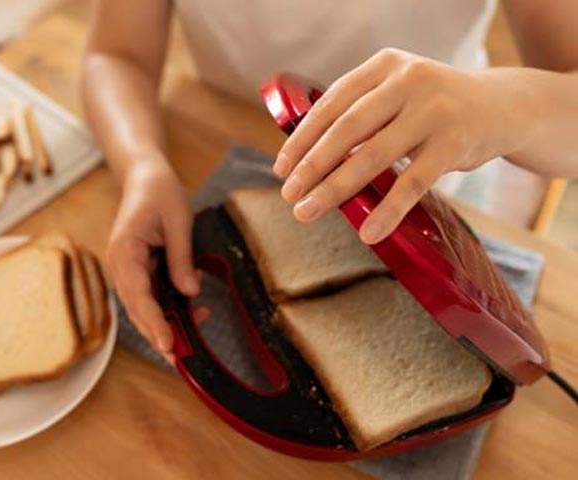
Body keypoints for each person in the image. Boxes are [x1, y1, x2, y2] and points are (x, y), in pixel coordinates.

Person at [80, 0, 578, 362]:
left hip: (436, 191)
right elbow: (116, 56)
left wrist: (500, 103)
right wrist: (142, 164)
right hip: (230, 148)